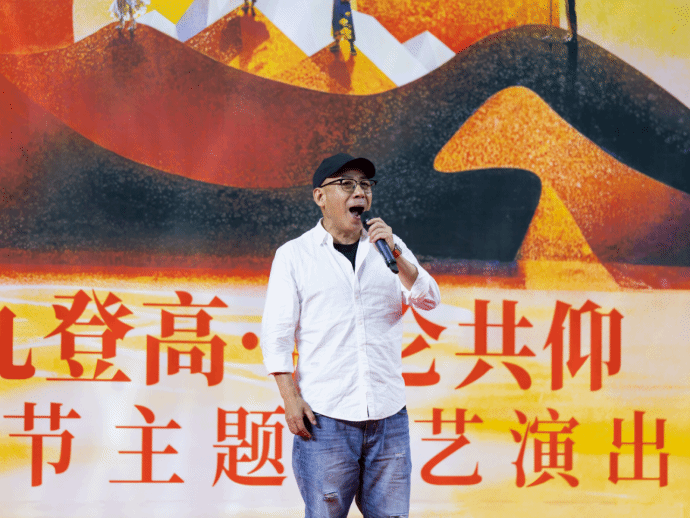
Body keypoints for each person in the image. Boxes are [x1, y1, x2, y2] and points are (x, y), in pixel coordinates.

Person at [261, 152, 441, 517]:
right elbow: (277, 337)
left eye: (365, 185)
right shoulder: (295, 256)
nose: (359, 192)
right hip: (326, 419)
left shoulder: (388, 247)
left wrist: (396, 254)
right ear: (320, 196)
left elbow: (429, 299)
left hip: (388, 417)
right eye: (346, 184)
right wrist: (290, 399)